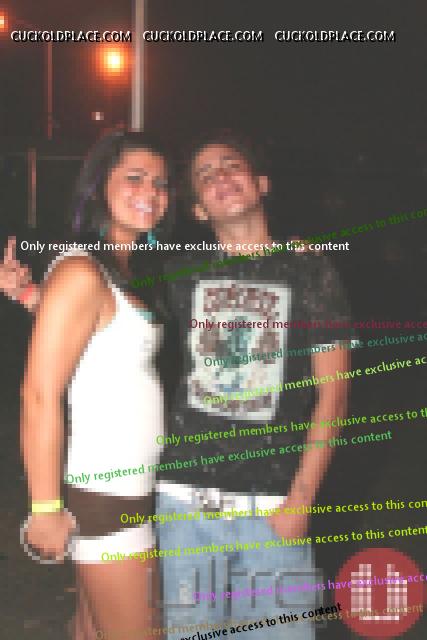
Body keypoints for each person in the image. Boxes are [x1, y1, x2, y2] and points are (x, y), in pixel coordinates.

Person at [155, 130, 352, 639]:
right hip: (185, 505)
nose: (220, 175)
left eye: (231, 165)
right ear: (198, 209)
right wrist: (33, 295)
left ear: (261, 184)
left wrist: (302, 500)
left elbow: (334, 394)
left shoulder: (308, 269)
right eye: (205, 174)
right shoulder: (180, 274)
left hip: (273, 508)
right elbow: (108, 313)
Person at [18, 128, 171, 639]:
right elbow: (38, 394)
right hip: (106, 498)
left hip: (122, 493)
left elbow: (96, 340)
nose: (150, 192)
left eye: (160, 183)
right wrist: (44, 510)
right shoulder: (82, 272)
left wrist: (28, 296)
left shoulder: (118, 270)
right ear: (99, 184)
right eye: (135, 178)